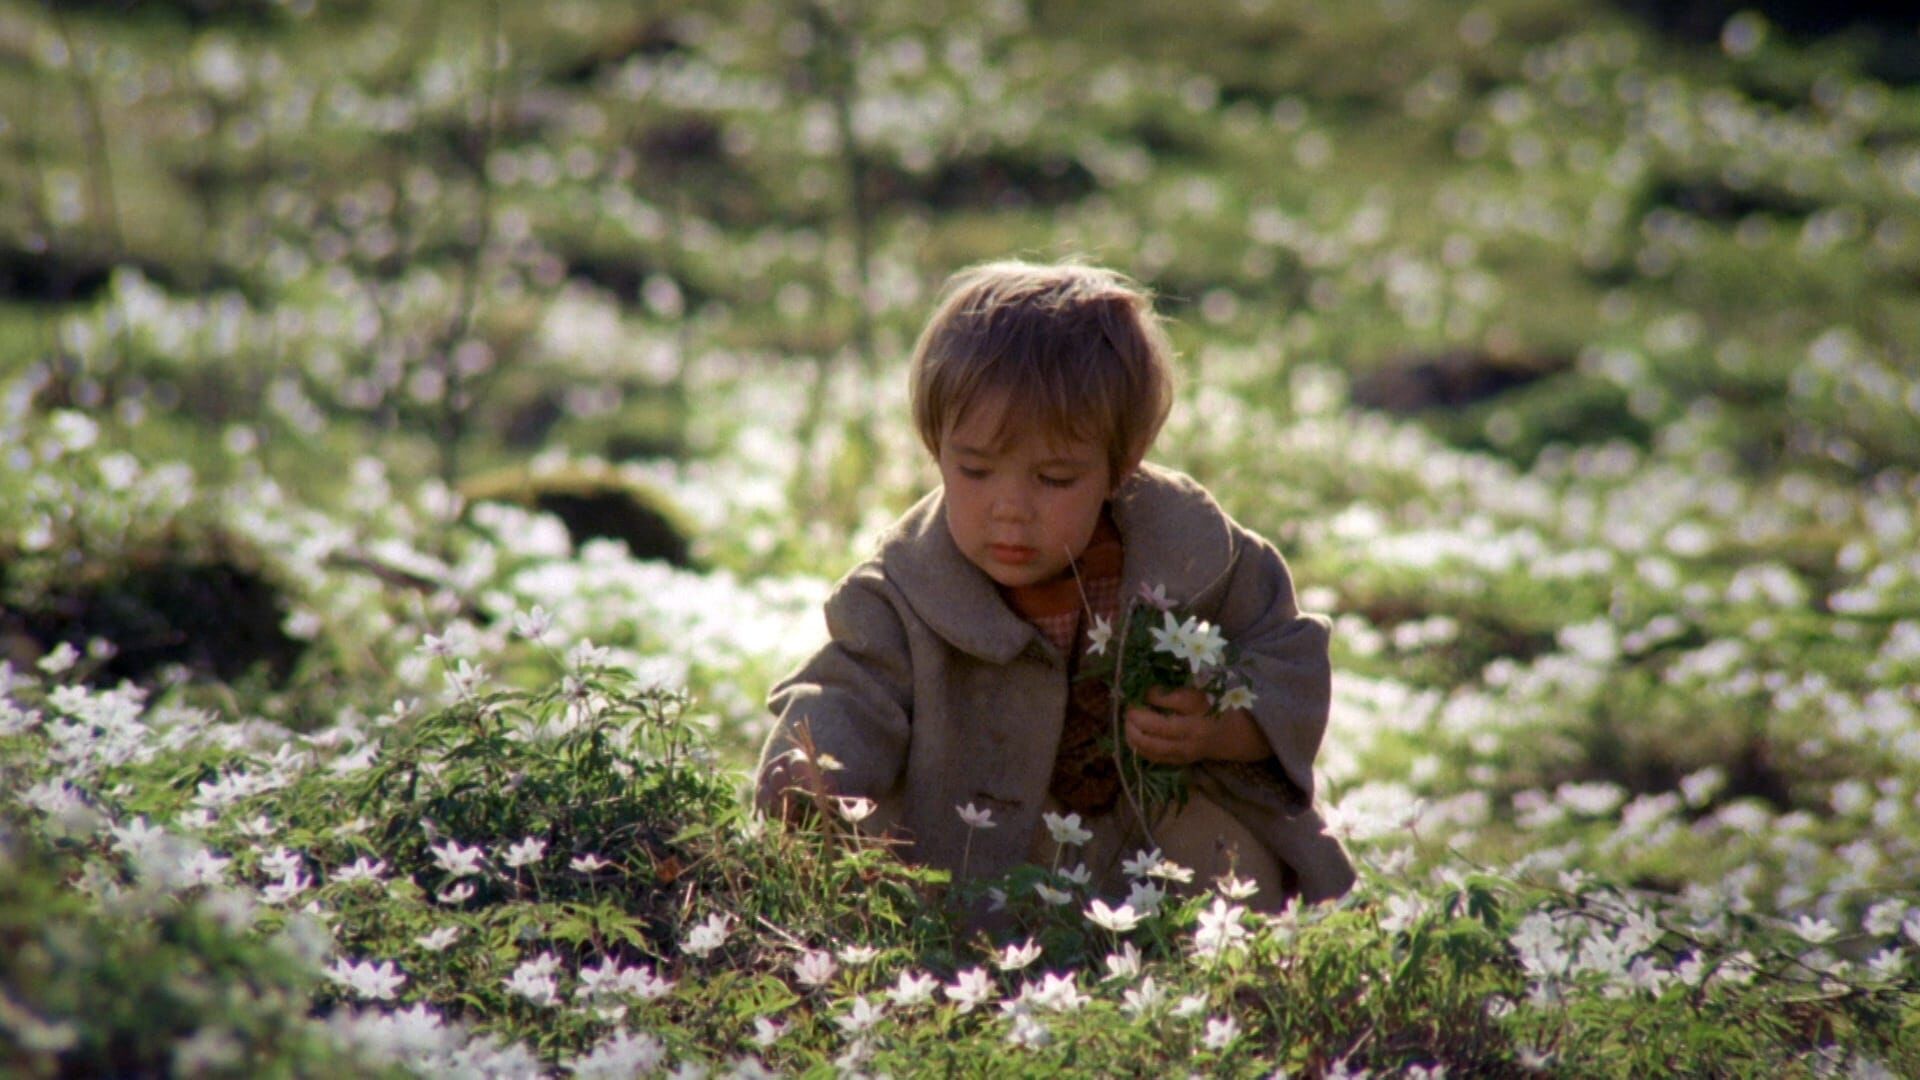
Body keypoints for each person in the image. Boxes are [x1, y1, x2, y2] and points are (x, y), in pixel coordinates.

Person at [754, 258, 1355, 911]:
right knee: (938, 892)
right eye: (976, 470)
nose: (1010, 508)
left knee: (1230, 877)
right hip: (983, 868)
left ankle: (1228, 980)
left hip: (1157, 852)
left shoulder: (1198, 554)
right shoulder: (903, 590)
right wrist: (813, 770)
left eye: (1055, 479)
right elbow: (848, 689)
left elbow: (1289, 661)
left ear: (1120, 466)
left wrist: (1220, 727)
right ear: (936, 448)